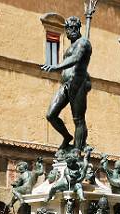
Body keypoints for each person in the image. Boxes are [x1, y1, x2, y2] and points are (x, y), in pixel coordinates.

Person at [41, 16, 92, 151]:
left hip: (78, 83)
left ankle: (77, 149)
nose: (70, 32)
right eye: (68, 29)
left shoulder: (83, 43)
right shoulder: (73, 45)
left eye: (72, 28)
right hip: (65, 85)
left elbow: (76, 58)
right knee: (51, 115)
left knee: (78, 119)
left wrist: (56, 67)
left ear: (76, 29)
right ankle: (67, 137)